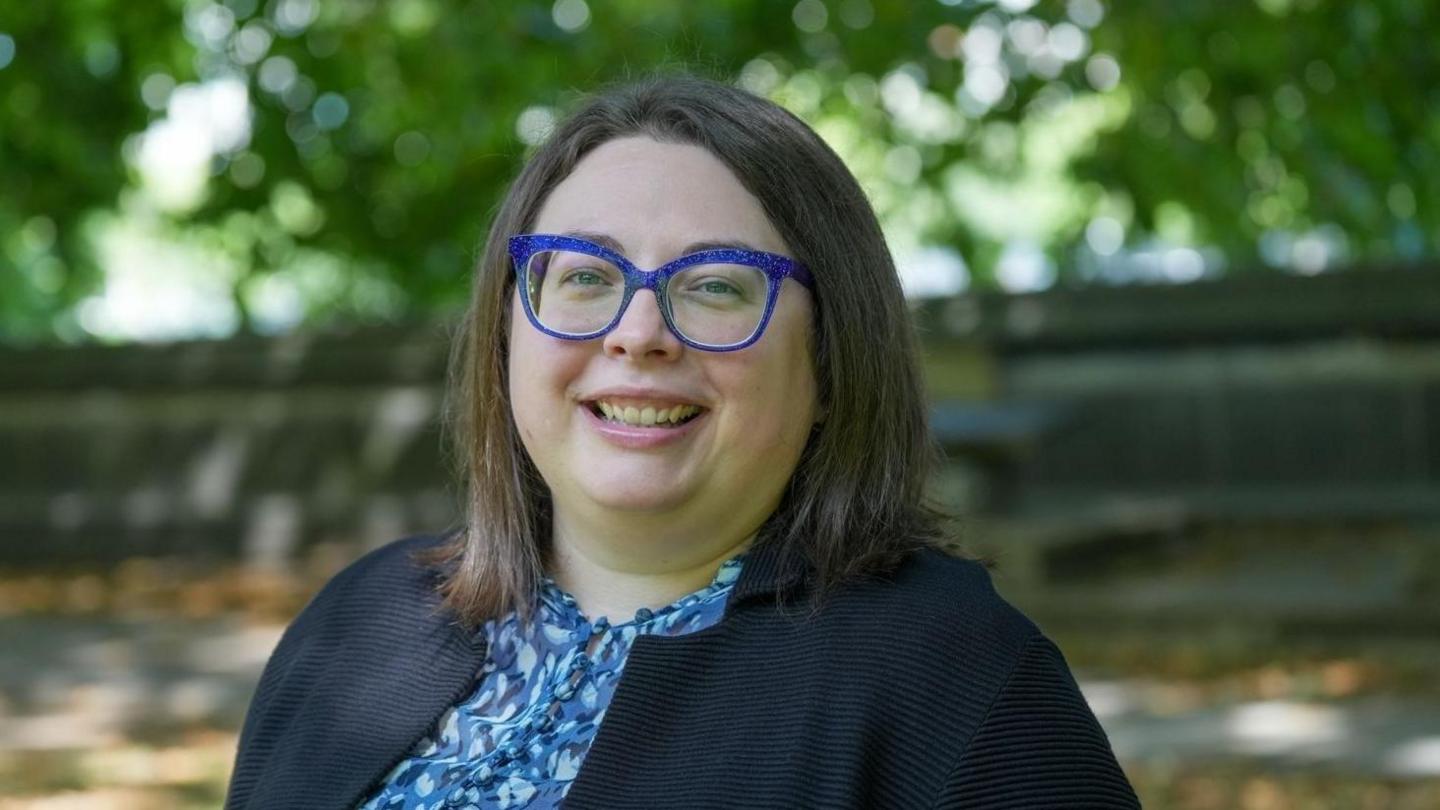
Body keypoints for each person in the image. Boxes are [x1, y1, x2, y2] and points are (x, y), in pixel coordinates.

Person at [225, 74, 1140, 809]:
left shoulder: (956, 680)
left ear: (830, 358)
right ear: (509, 330)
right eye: (584, 274)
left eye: (716, 286)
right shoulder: (362, 623)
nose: (638, 332)